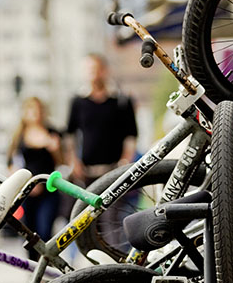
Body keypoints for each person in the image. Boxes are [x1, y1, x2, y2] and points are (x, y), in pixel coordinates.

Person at [65, 53, 139, 187]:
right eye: (89, 70)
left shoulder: (121, 101)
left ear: (105, 70)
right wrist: (74, 162)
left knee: (113, 208)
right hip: (86, 174)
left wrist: (126, 161)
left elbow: (131, 135)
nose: (93, 74)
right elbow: (70, 134)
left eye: (96, 69)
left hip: (114, 172)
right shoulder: (78, 101)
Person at [7, 97, 61, 252]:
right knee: (28, 233)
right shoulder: (19, 136)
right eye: (31, 109)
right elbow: (11, 163)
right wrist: (25, 183)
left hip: (48, 189)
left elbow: (61, 162)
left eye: (38, 109)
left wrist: (54, 149)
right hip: (27, 191)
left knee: (44, 230)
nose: (35, 113)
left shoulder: (52, 133)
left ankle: (45, 267)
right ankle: (33, 269)